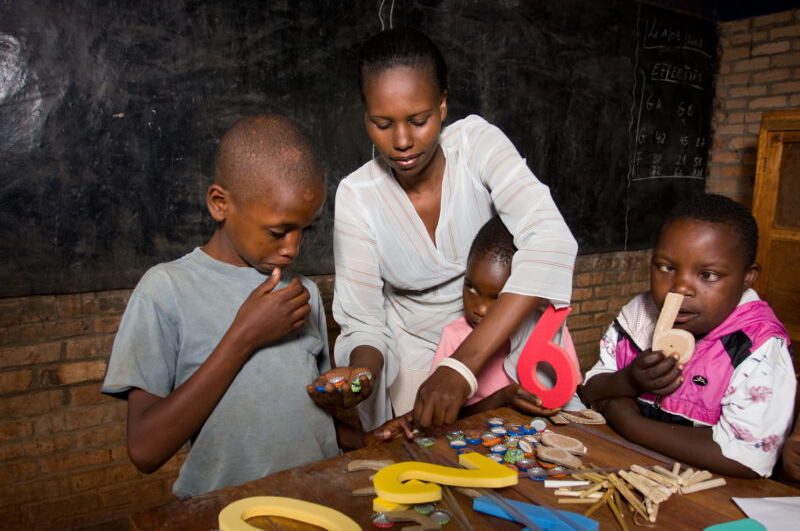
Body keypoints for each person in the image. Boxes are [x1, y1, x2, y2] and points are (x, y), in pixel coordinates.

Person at [102, 114, 410, 498]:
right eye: (278, 231)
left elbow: (302, 420)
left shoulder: (302, 292)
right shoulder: (165, 291)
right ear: (220, 204)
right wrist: (244, 336)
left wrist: (362, 439)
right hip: (227, 509)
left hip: (317, 496)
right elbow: (146, 450)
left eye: (305, 230)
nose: (292, 249)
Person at [310, 27, 577, 431]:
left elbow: (551, 240)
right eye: (382, 124)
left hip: (502, 341)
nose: (402, 141)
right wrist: (363, 373)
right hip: (414, 359)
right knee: (425, 452)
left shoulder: (477, 146)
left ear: (442, 105)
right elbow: (364, 321)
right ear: (365, 117)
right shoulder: (357, 196)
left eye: (418, 120)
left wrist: (462, 366)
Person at [582, 194, 795, 478]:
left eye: (708, 275)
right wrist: (629, 380)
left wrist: (630, 422)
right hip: (622, 466)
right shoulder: (638, 316)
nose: (680, 288)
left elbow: (745, 458)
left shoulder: (758, 345)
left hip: (708, 493)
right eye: (667, 268)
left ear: (748, 276)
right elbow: (590, 390)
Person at [429, 216, 583, 418]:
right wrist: (500, 400)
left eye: (498, 297)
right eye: (471, 287)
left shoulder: (549, 329)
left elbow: (572, 395)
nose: (481, 309)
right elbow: (446, 416)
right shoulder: (455, 336)